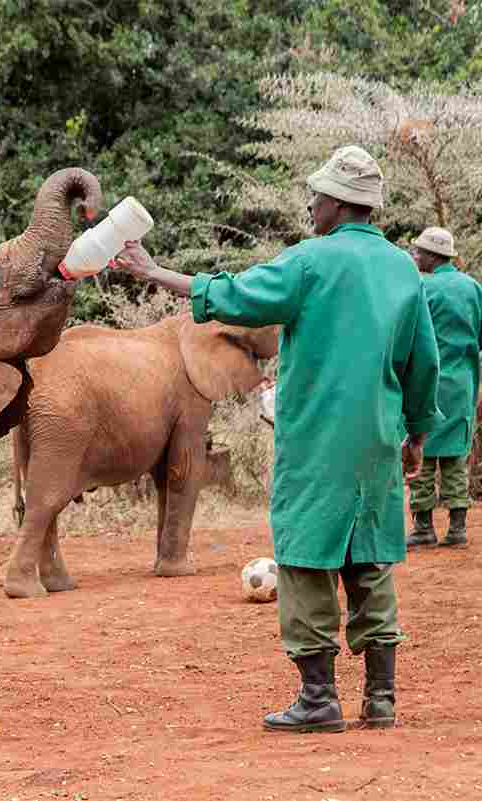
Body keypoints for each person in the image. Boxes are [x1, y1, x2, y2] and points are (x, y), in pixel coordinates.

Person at [113, 145, 443, 734]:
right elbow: (424, 363)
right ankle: (381, 697)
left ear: (340, 204)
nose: (310, 203)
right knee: (369, 555)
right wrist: (416, 433)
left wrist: (151, 270)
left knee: (304, 557)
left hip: (315, 441)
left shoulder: (308, 263)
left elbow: (232, 295)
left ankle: (318, 701)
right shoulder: (403, 270)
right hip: (376, 439)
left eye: (317, 195)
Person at [406, 227, 482, 549]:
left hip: (429, 381)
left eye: (419, 251)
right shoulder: (473, 288)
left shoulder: (420, 287)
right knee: (455, 455)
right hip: (463, 383)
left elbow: (410, 336)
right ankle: (458, 528)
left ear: (433, 256)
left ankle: (423, 528)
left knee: (420, 450)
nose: (415, 256)